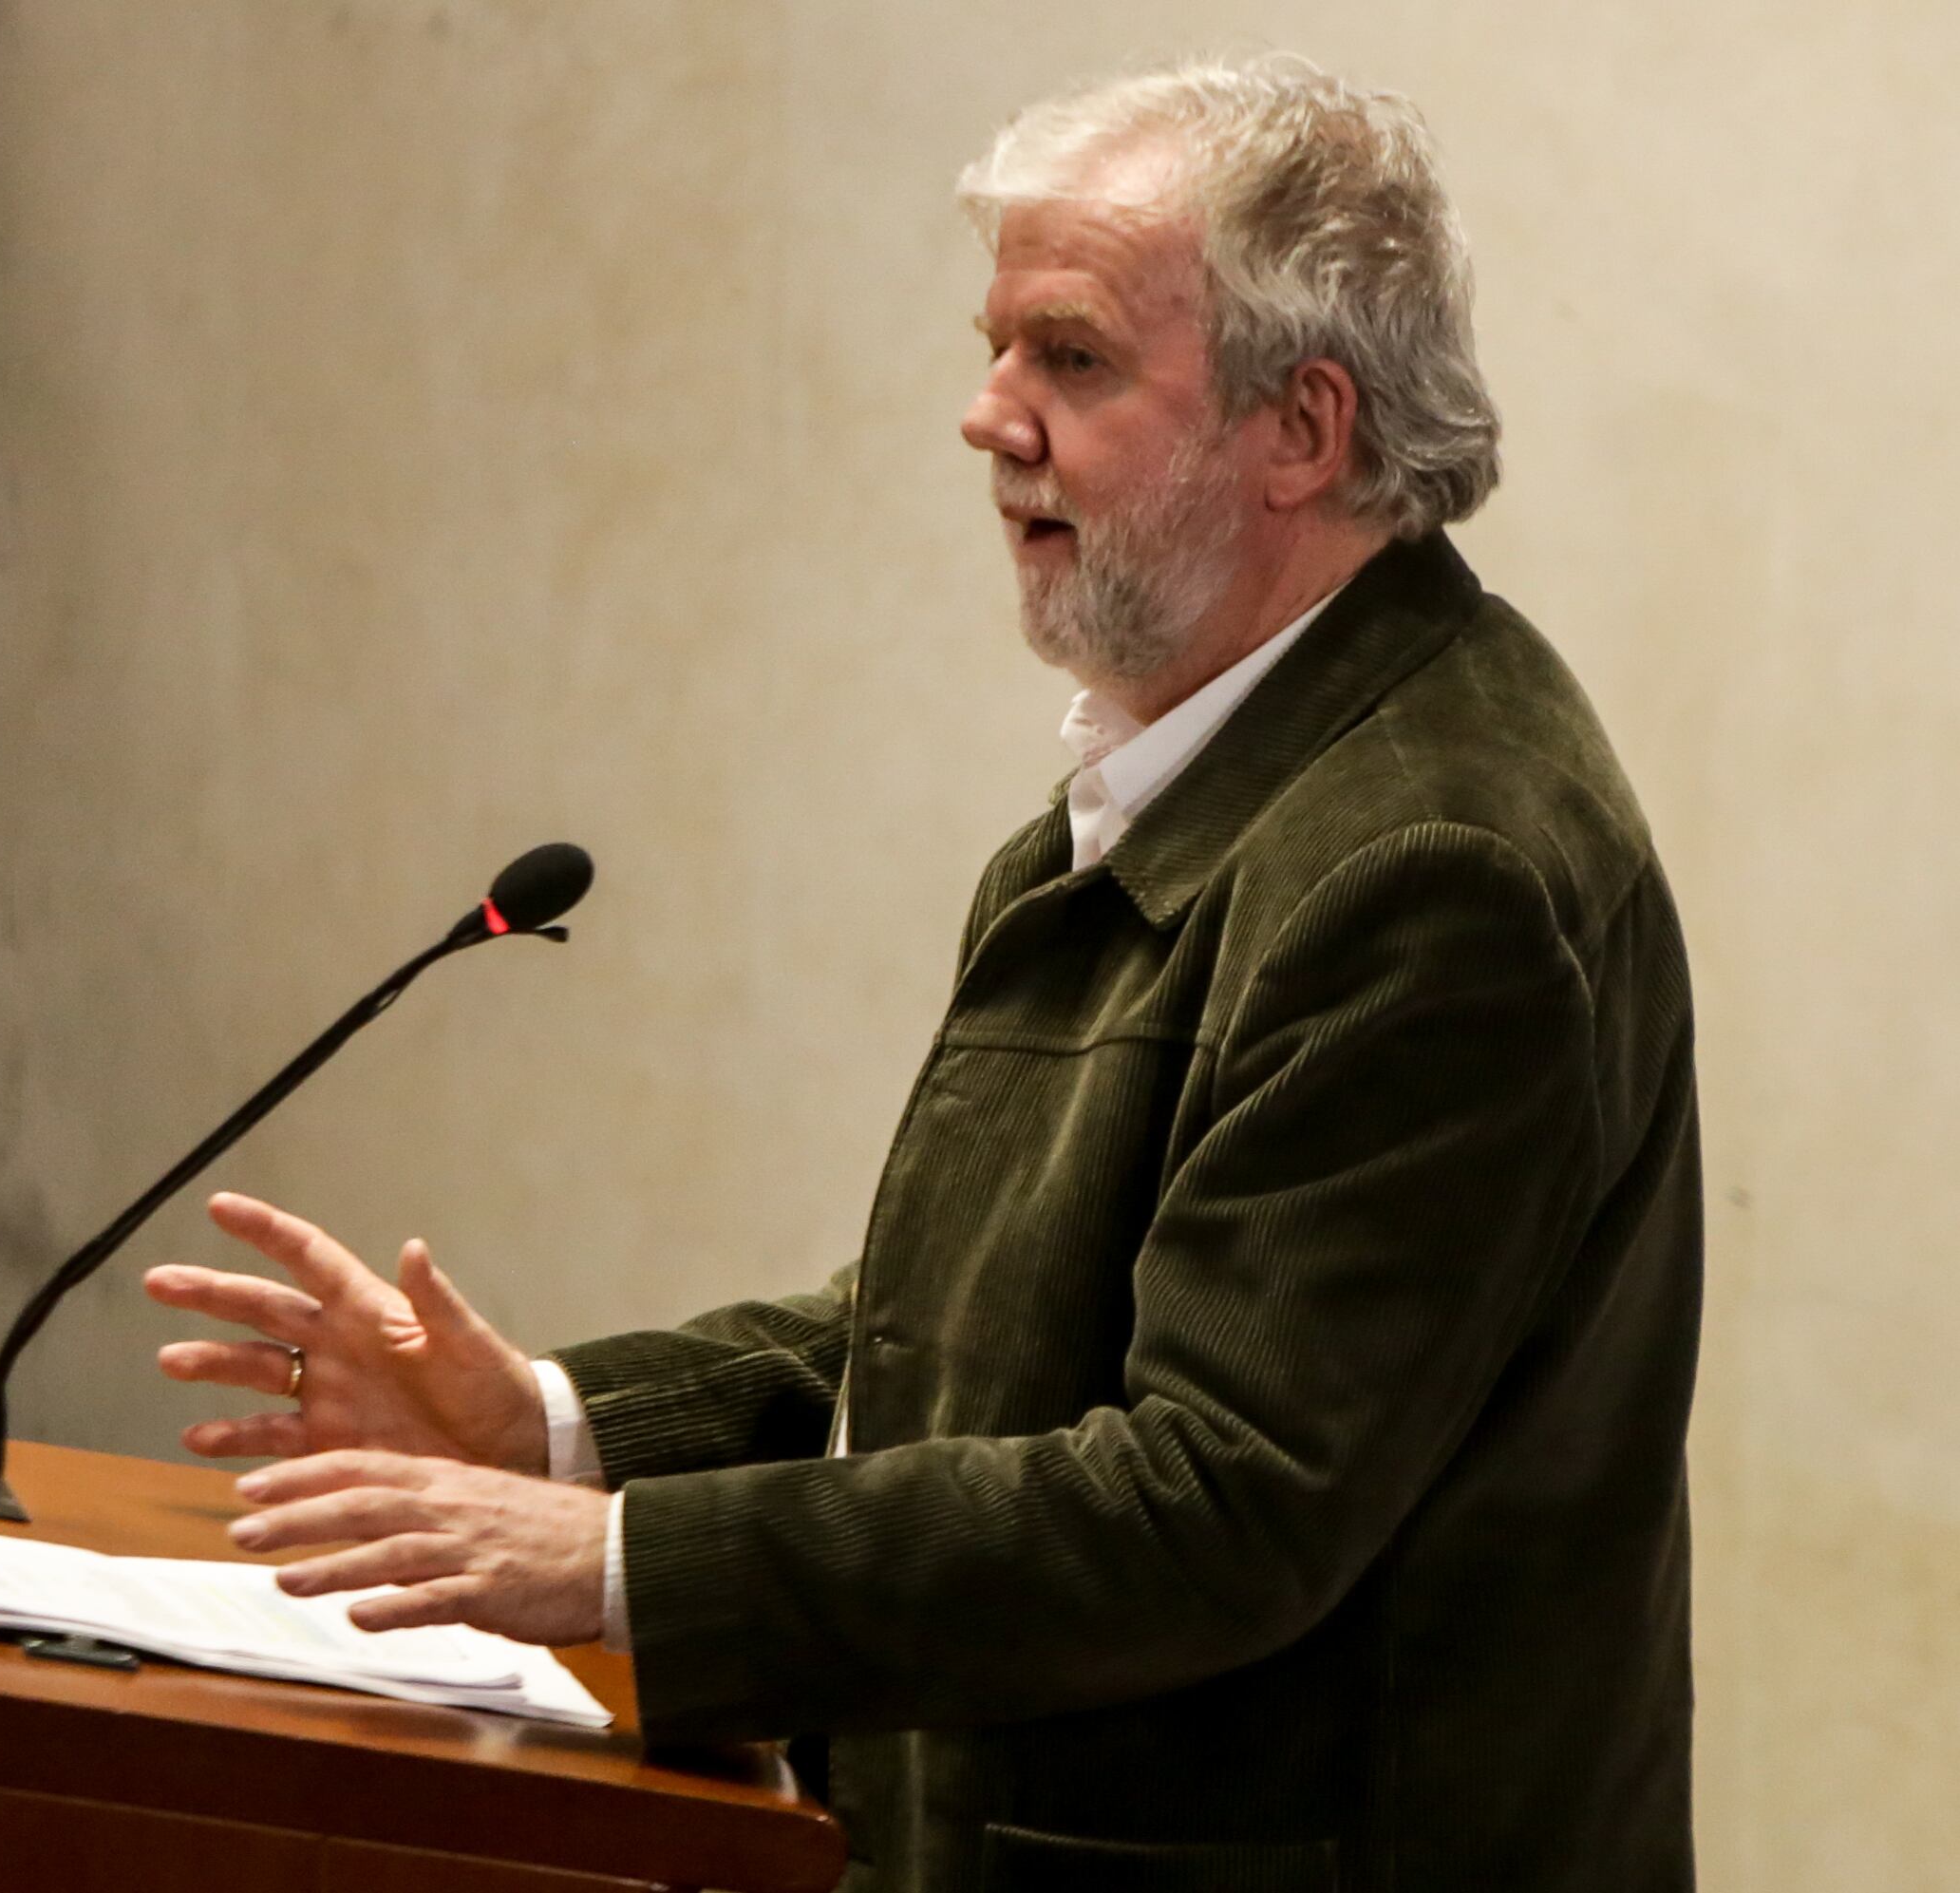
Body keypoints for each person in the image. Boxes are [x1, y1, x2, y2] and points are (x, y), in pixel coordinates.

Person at [144, 53, 1697, 1893]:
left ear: (1304, 427)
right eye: (995, 349)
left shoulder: (1429, 868)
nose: (986, 417)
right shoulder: (1225, 761)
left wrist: (618, 1565)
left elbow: (1216, 1499)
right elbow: (979, 1323)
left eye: (1072, 357)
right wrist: (558, 1427)